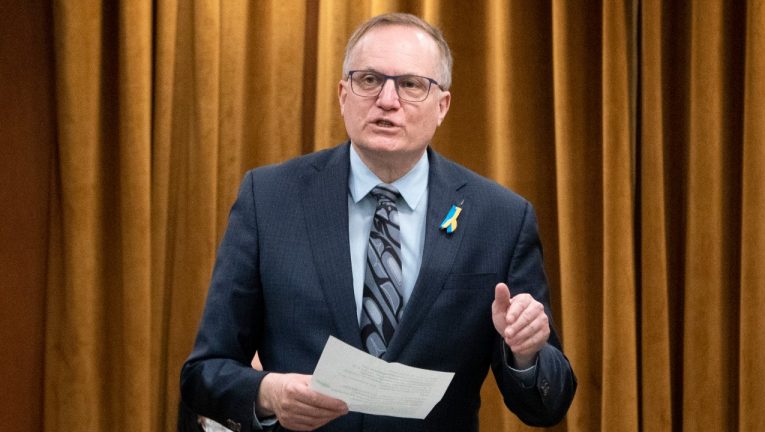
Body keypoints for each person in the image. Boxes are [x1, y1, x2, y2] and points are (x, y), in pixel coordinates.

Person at [180, 12, 576, 432]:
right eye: (368, 80)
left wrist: (527, 354)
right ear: (342, 95)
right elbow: (204, 372)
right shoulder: (269, 199)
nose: (387, 99)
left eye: (410, 84)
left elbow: (546, 406)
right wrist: (266, 394)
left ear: (442, 106)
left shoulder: (500, 218)